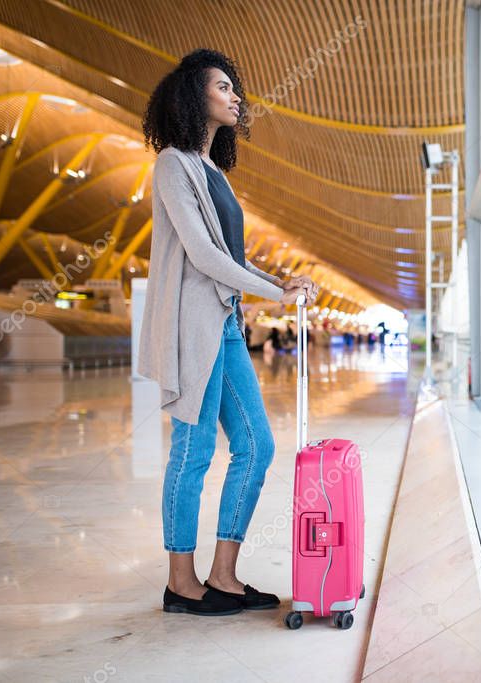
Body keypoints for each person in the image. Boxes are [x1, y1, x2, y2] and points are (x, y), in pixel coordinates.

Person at [138, 49, 318, 617]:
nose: (235, 95)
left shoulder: (213, 171)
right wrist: (274, 294)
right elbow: (199, 253)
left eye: (234, 87)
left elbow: (226, 253)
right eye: (223, 86)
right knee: (192, 453)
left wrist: (278, 281)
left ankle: (223, 574)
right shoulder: (172, 163)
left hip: (228, 325)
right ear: (195, 96)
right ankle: (180, 584)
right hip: (196, 326)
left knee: (256, 445)